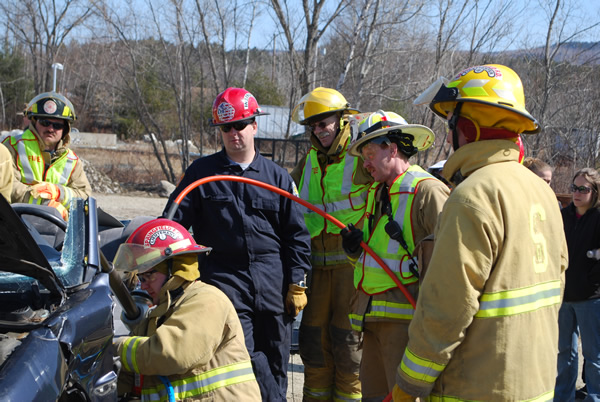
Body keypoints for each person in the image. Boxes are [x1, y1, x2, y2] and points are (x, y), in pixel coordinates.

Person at [393, 64, 569, 401]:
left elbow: (447, 308)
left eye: (451, 125)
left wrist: (409, 384)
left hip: (478, 388)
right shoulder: (541, 190)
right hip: (536, 383)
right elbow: (558, 280)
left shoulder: (473, 195)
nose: (448, 137)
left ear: (469, 128)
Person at [162, 87, 312, 401]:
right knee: (241, 359)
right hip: (224, 285)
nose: (234, 133)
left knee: (275, 361)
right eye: (226, 128)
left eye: (240, 125)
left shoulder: (277, 178)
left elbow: (297, 236)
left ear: (254, 126)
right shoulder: (202, 174)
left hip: (273, 287)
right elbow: (172, 226)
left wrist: (297, 283)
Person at [339, 110, 450, 400]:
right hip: (371, 317)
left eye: (371, 153)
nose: (365, 162)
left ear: (393, 148)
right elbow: (375, 260)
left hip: (406, 324)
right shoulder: (378, 193)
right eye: (363, 155)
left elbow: (448, 263)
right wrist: (353, 251)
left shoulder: (428, 192)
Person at [113, 218, 262, 400]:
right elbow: (133, 376)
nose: (142, 287)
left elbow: (169, 355)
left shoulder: (205, 301)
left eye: (148, 276)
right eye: (140, 279)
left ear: (175, 269)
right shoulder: (161, 312)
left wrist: (113, 348)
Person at [290, 87, 371, 401]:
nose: (318, 130)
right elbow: (285, 192)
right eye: (313, 125)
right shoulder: (309, 160)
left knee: (349, 351)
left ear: (342, 120)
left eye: (324, 123)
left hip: (351, 270)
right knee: (313, 347)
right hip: (315, 272)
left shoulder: (362, 156)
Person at [2, 92, 91, 219]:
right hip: (17, 226)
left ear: (65, 128)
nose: (50, 129)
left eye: (57, 125)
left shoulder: (73, 161)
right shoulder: (12, 147)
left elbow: (84, 196)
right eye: (45, 122)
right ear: (34, 121)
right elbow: (7, 187)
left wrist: (58, 192)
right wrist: (47, 205)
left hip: (57, 230)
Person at [554, 167, 600, 401]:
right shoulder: (563, 216)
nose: (577, 193)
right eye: (574, 188)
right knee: (565, 353)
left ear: (595, 192)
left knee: (593, 356)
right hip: (565, 295)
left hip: (591, 298)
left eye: (584, 189)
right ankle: (563, 397)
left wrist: (592, 280)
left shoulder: (598, 217)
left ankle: (595, 396)